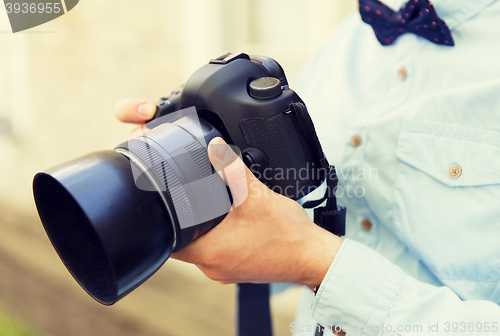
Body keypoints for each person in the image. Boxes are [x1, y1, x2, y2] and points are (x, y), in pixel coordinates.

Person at [114, 0, 500, 334]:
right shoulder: (345, 42)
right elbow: (292, 229)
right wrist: (204, 170)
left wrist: (314, 261)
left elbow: (306, 251)